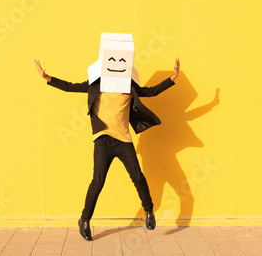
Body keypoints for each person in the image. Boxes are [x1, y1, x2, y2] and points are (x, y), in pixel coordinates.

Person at [34, 56, 180, 241]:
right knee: (98, 182)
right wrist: (46, 77)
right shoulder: (97, 84)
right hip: (103, 140)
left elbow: (150, 92)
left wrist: (173, 77)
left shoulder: (129, 85)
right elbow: (71, 86)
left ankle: (149, 211)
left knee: (137, 176)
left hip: (123, 140)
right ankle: (84, 221)